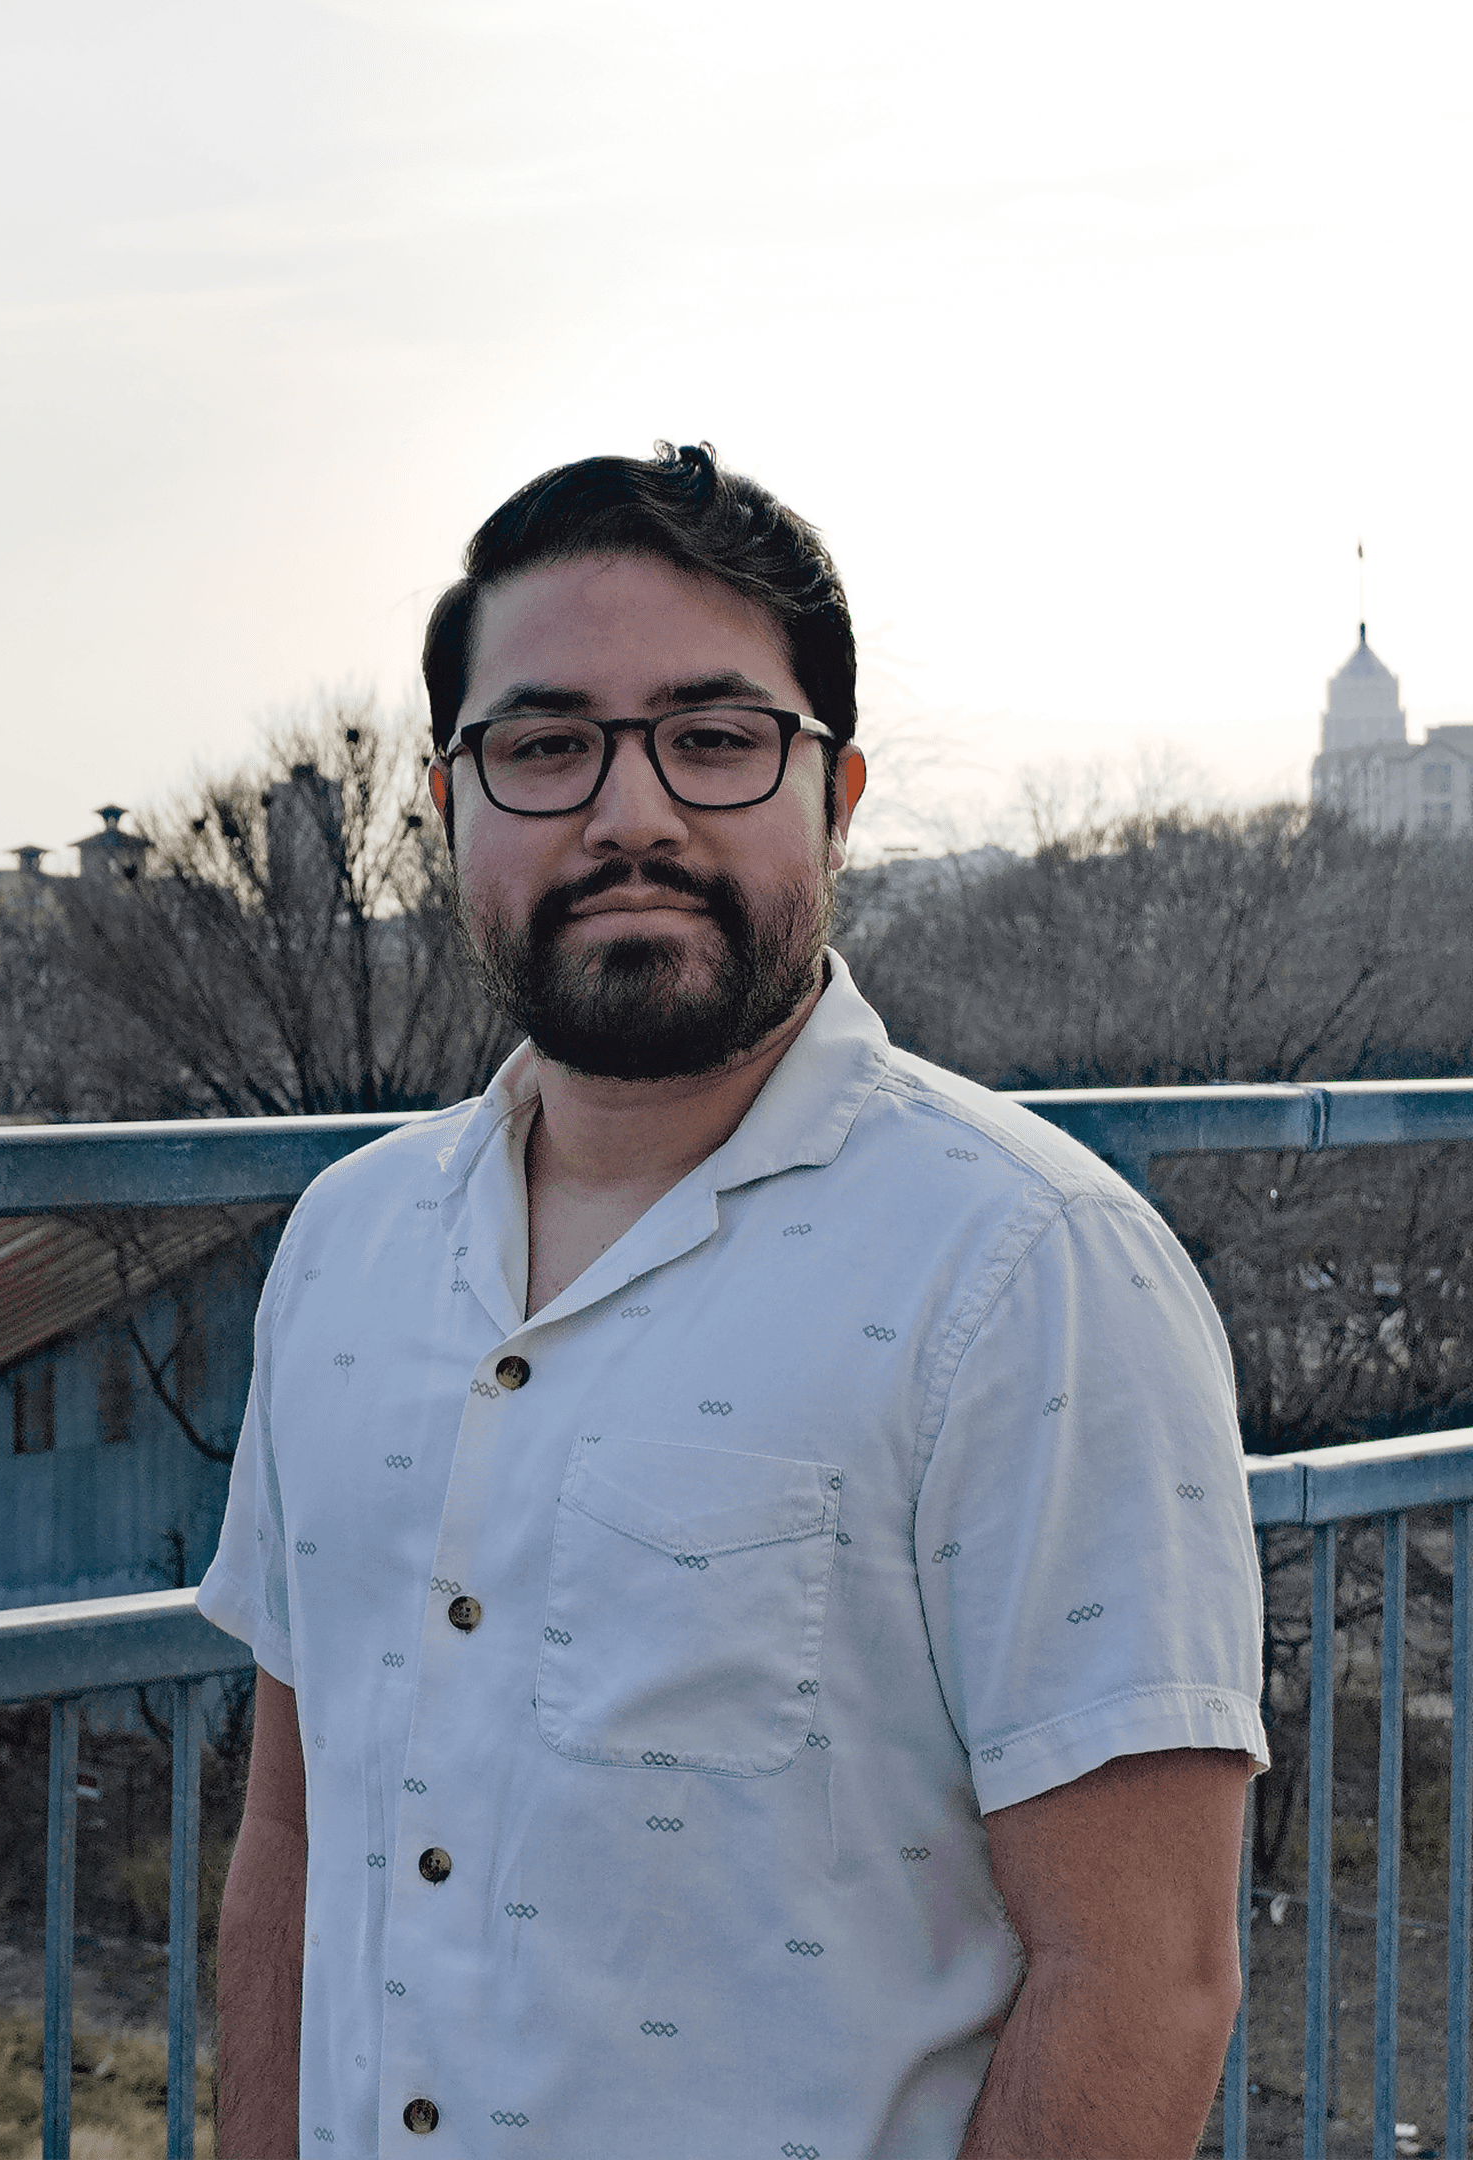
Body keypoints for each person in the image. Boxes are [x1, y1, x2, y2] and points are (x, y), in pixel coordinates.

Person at [195, 444, 1264, 2158]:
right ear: (449, 803)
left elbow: (1140, 1974)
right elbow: (293, 1852)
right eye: (546, 747)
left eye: (713, 738)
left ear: (836, 796)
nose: (632, 814)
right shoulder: (345, 1248)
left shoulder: (1030, 1271)